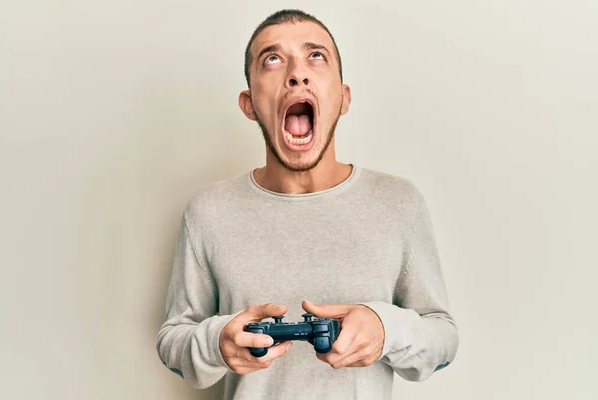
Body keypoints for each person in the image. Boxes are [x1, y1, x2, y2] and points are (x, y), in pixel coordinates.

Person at [156, 8, 459, 399]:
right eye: (273, 59)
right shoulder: (207, 211)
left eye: (316, 56)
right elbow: (172, 342)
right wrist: (217, 343)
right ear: (249, 104)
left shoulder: (400, 203)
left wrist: (387, 330)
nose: (297, 74)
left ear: (343, 98)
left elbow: (444, 340)